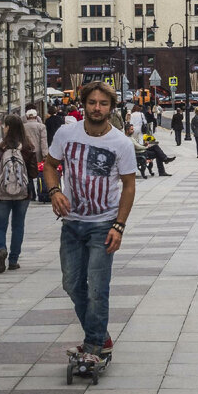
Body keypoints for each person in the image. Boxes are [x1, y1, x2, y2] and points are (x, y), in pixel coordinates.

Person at [43, 81, 137, 363]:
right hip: (71, 223)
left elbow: (129, 186)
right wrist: (54, 191)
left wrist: (119, 226)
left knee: (98, 287)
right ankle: (100, 337)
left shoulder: (120, 142)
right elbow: (49, 165)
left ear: (111, 107)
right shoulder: (66, 133)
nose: (97, 108)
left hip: (103, 224)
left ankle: (94, 346)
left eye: (103, 103)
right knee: (72, 284)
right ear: (83, 104)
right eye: (92, 102)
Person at [0, 113, 39, 272]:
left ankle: (1, 249)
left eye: (4, 125)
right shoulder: (28, 147)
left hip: (1, 193)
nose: (3, 128)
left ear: (7, 127)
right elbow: (34, 173)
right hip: (23, 194)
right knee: (18, 225)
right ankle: (13, 260)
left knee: (0, 226)